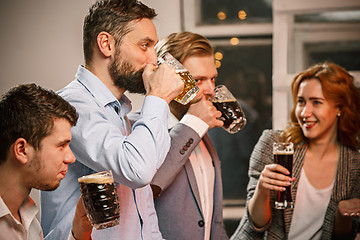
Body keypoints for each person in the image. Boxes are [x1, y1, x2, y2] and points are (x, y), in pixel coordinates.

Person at [40, 0, 183, 239]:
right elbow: (137, 171)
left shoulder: (119, 111)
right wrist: (158, 96)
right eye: (144, 45)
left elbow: (144, 212)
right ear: (106, 44)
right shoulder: (72, 106)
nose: (153, 60)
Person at [230, 62, 360, 239]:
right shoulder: (273, 142)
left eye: (316, 102)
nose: (305, 112)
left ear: (339, 107)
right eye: (301, 101)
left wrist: (343, 214)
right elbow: (257, 224)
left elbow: (341, 236)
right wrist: (262, 188)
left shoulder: (354, 164)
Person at [129, 31, 229, 240]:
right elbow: (149, 187)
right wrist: (193, 124)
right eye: (199, 80)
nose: (211, 89)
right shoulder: (134, 127)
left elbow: (211, 216)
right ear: (170, 78)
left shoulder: (202, 131)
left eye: (213, 79)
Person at [0, 83, 92, 240]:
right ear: (22, 150)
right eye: (61, 145)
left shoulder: (28, 215)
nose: (71, 158)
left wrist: (79, 233)